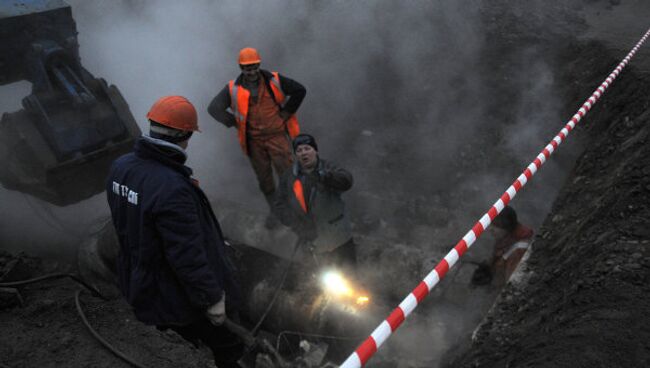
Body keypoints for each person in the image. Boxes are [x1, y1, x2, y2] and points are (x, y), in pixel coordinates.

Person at [106, 96, 243, 367]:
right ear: (185, 134)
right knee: (228, 344)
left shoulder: (120, 167)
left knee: (178, 338)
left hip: (138, 282)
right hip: (174, 295)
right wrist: (212, 299)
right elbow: (186, 254)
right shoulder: (172, 187)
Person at [208, 47, 307, 228]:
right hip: (254, 142)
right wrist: (234, 122)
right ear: (241, 68)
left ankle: (299, 213)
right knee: (265, 181)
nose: (251, 72)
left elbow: (300, 90)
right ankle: (277, 213)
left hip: (277, 136)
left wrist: (286, 112)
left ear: (259, 65)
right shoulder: (233, 89)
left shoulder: (274, 80)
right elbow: (213, 108)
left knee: (288, 177)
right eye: (247, 68)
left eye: (254, 67)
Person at [274, 134, 356, 270]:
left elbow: (346, 181)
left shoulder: (329, 167)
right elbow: (279, 205)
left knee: (350, 278)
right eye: (299, 150)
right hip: (313, 242)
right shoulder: (289, 178)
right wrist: (298, 225)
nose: (303, 153)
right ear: (295, 155)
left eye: (307, 148)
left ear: (315, 151)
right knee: (323, 282)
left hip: (340, 239)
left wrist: (325, 176)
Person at [474, 206, 533, 287]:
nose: (490, 229)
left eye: (495, 226)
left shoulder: (518, 252)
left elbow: (510, 286)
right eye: (490, 224)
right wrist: (489, 266)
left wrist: (491, 281)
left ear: (506, 228)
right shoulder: (505, 238)